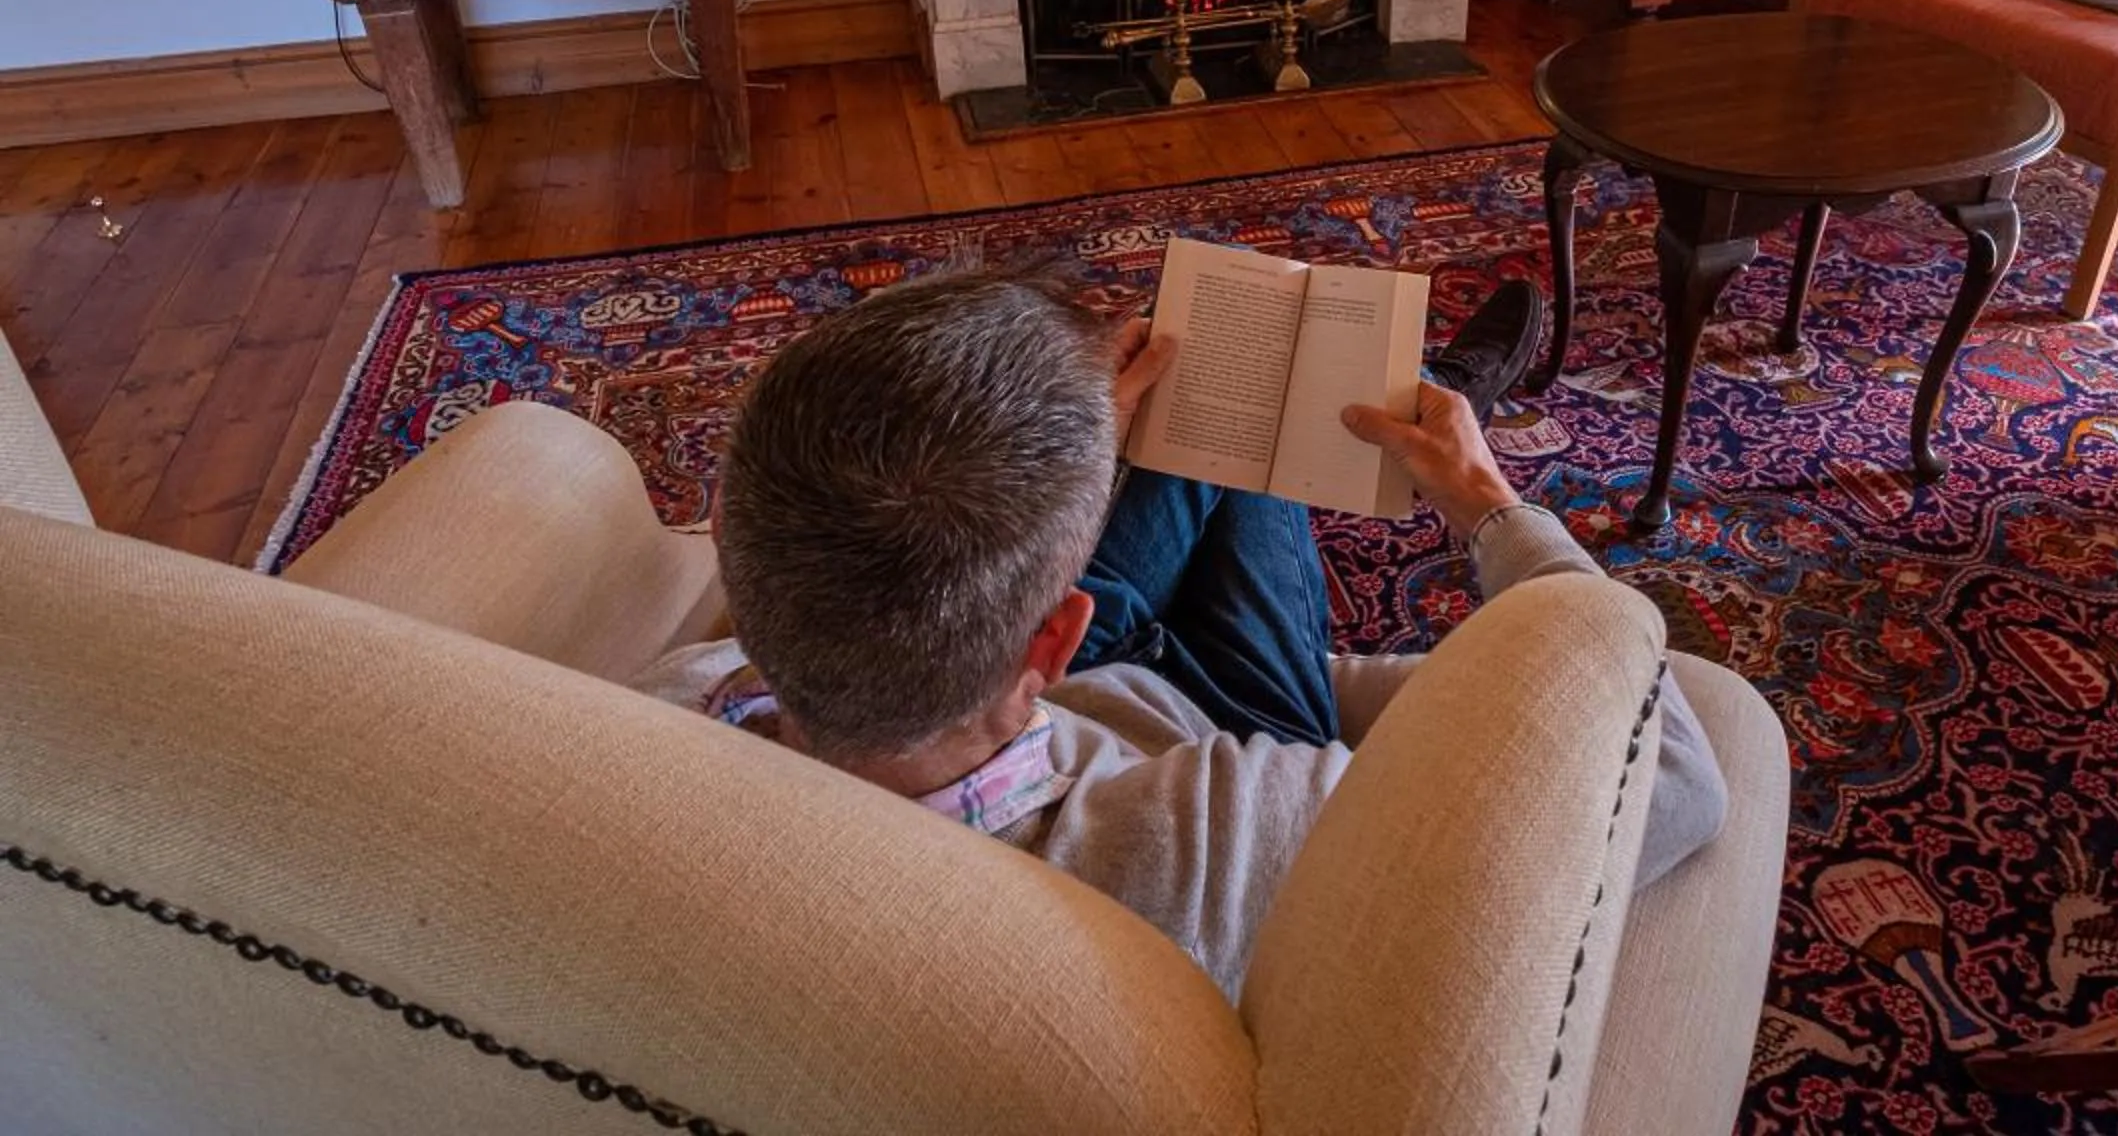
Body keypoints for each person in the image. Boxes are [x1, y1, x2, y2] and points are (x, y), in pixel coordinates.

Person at [638, 268, 1725, 996]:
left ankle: (1409, 390)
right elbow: (1672, 771)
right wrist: (1489, 504)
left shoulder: (655, 709)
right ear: (1057, 636)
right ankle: (1433, 400)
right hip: (1202, 718)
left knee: (1185, 402)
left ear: (727, 534)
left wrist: (1061, 471)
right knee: (1234, 419)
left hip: (992, 687)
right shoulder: (1241, 822)